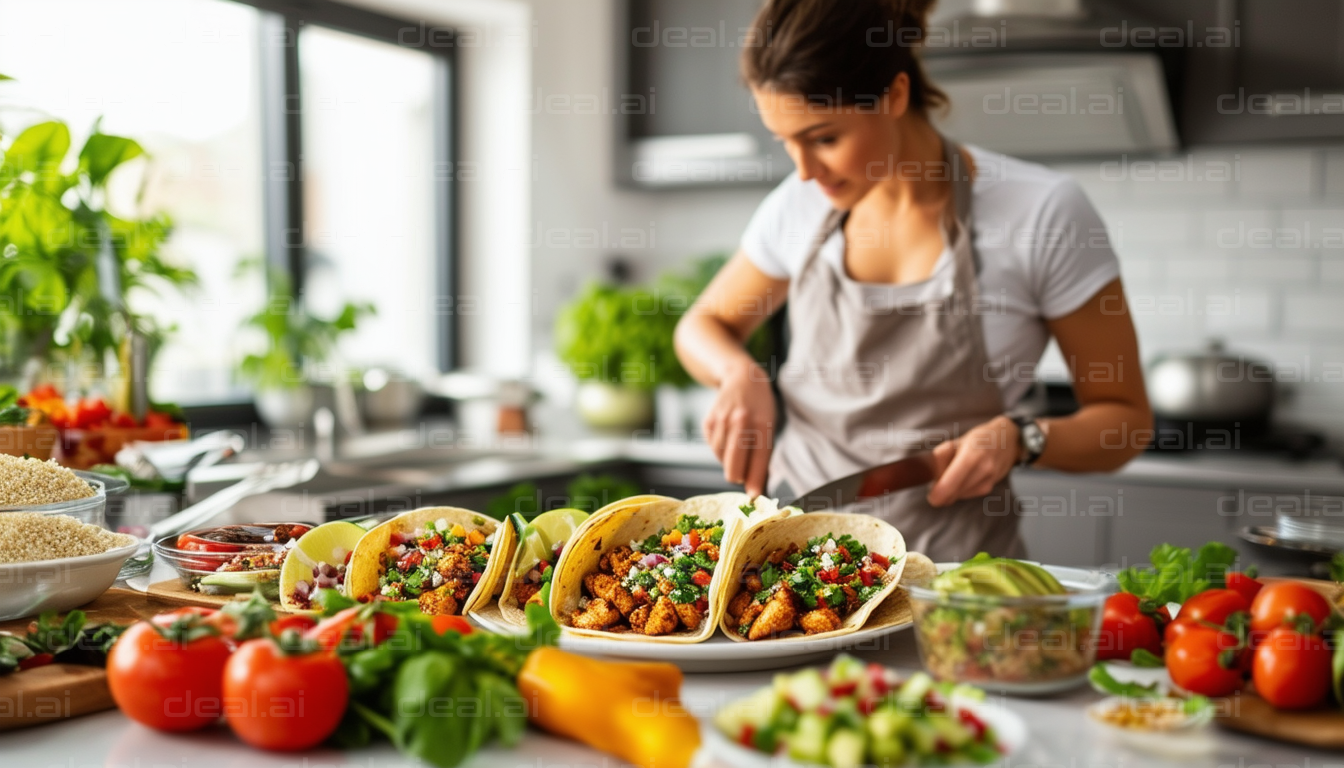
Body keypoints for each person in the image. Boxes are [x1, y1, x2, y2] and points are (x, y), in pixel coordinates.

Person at [673, 0, 1152, 561]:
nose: (803, 170)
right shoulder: (799, 206)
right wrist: (738, 373)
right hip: (793, 567)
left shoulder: (1041, 213)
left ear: (895, 96)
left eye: (824, 138)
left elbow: (1125, 421)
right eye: (786, 142)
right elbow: (701, 325)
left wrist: (1023, 439)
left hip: (953, 582)